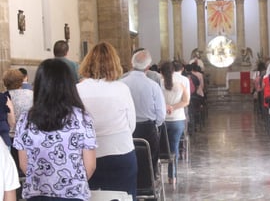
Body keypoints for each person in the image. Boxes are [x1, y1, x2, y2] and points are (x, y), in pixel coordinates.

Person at [13, 58, 97, 201]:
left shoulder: (25, 119)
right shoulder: (82, 118)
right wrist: (71, 184)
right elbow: (90, 165)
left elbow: (23, 164)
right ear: (69, 85)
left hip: (37, 194)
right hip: (73, 194)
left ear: (39, 85)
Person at [76, 42, 137, 200]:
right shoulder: (121, 88)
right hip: (120, 152)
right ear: (114, 63)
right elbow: (131, 125)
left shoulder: (77, 89)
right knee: (123, 196)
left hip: (86, 155)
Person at [121, 49, 166, 177]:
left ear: (132, 63)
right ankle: (149, 187)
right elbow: (161, 114)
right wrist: (155, 124)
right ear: (148, 67)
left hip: (127, 128)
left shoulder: (121, 83)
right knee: (149, 162)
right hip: (148, 128)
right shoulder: (153, 86)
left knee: (131, 160)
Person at [160, 61, 190, 189]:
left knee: (161, 148)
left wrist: (166, 106)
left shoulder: (160, 82)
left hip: (163, 120)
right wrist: (173, 107)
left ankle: (158, 174)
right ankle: (173, 176)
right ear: (173, 70)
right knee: (174, 147)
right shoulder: (182, 82)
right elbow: (186, 101)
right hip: (177, 119)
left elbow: (158, 99)